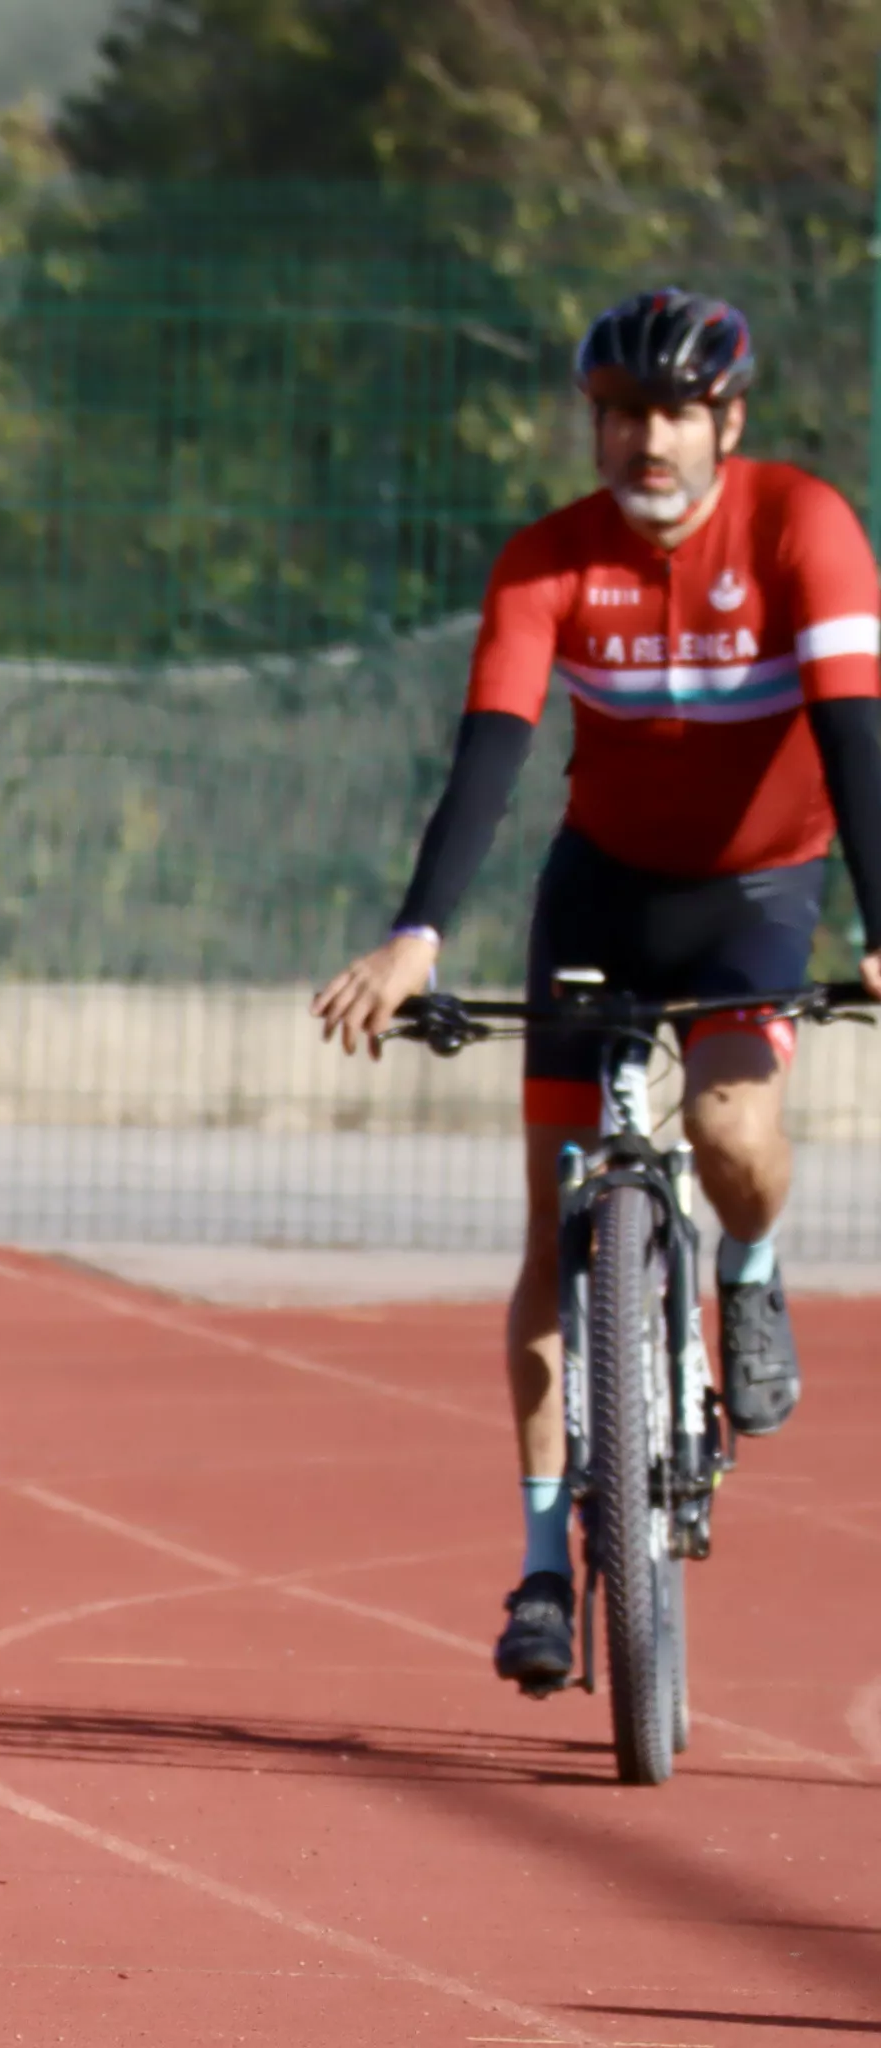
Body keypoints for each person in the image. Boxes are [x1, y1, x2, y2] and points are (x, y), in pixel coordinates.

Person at [315, 289, 881, 1689]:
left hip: (759, 894)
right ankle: (537, 1565)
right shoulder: (548, 563)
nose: (645, 440)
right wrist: (417, 936)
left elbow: (856, 734)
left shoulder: (804, 528)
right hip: (602, 893)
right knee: (555, 1216)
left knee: (736, 1141)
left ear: (727, 423)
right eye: (620, 414)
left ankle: (746, 1277)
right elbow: (493, 758)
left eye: (674, 414)